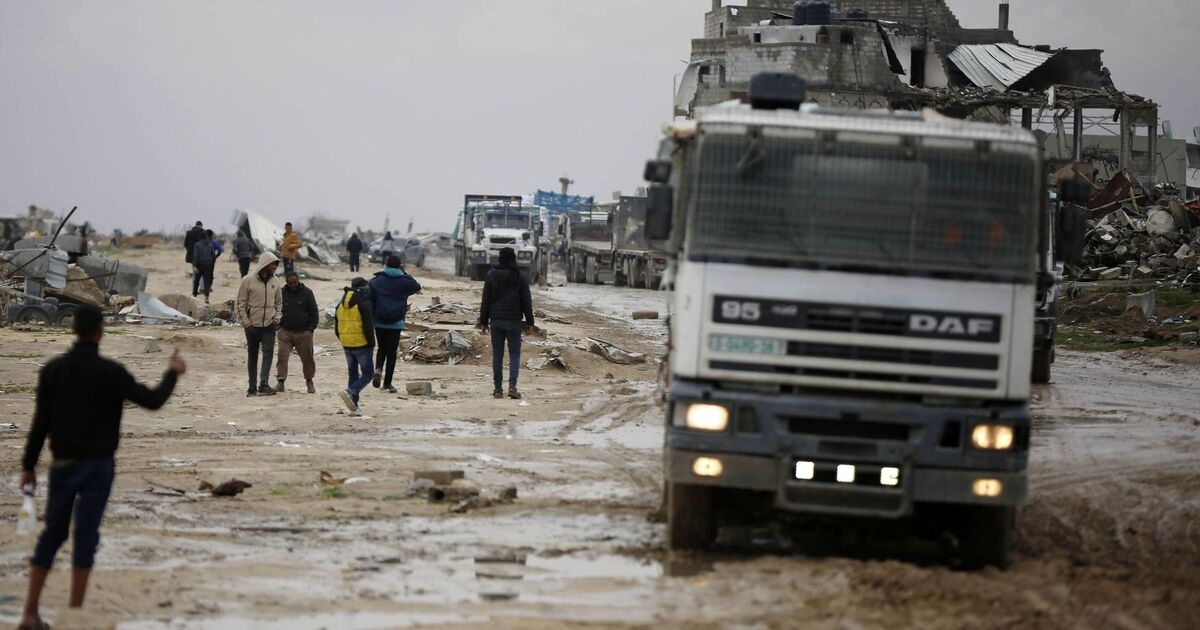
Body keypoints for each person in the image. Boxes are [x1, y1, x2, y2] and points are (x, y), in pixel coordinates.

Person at [19, 306, 186, 630]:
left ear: (73, 330)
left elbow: (40, 423)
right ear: (100, 331)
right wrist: (172, 372)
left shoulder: (53, 370)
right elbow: (152, 401)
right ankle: (75, 614)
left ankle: (29, 613)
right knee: (86, 535)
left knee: (52, 535)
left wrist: (28, 466)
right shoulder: (111, 372)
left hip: (63, 464)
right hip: (98, 466)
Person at [477, 247, 535, 399]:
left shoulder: (491, 275)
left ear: (500, 258)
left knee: (498, 355)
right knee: (514, 354)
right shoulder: (520, 276)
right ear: (513, 258)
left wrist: (483, 322)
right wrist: (530, 322)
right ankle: (512, 387)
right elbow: (526, 301)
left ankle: (497, 389)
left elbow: (486, 300)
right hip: (514, 322)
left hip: (496, 321)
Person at [369, 256, 421, 393]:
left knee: (381, 348)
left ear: (386, 265)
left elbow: (370, 300)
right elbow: (417, 287)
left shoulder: (376, 281)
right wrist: (405, 274)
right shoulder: (404, 281)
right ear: (399, 266)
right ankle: (387, 384)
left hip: (379, 322)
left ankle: (378, 369)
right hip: (396, 322)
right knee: (392, 353)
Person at [236, 253, 282, 397]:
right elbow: (240, 304)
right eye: (272, 264)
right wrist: (246, 323)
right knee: (253, 356)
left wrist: (276, 319)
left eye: (276, 264)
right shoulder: (248, 280)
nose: (274, 267)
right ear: (264, 264)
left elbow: (279, 303)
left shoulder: (275, 281)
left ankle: (264, 385)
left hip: (269, 325)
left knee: (268, 355)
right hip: (252, 326)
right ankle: (252, 387)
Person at [334, 277, 375, 415]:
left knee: (353, 374)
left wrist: (344, 339)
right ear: (362, 288)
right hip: (361, 343)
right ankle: (350, 391)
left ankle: (354, 406)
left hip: (346, 344)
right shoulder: (364, 303)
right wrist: (372, 343)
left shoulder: (340, 304)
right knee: (368, 373)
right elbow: (368, 327)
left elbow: (336, 327)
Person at [275, 271, 319, 394]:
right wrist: (278, 327)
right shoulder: (281, 293)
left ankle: (309, 382)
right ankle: (281, 382)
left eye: (295, 282)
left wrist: (310, 330)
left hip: (303, 333)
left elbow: (314, 312)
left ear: (298, 280)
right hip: (285, 333)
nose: (293, 285)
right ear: (287, 282)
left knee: (307, 359)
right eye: (290, 283)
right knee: (282, 357)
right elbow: (275, 309)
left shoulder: (307, 293)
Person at [191, 230, 218, 303]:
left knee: (196, 281)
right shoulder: (210, 245)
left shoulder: (197, 245)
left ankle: (194, 296)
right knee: (207, 282)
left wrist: (194, 266)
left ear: (200, 237)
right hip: (208, 265)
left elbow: (196, 256)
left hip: (199, 265)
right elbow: (213, 256)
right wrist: (211, 265)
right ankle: (206, 298)